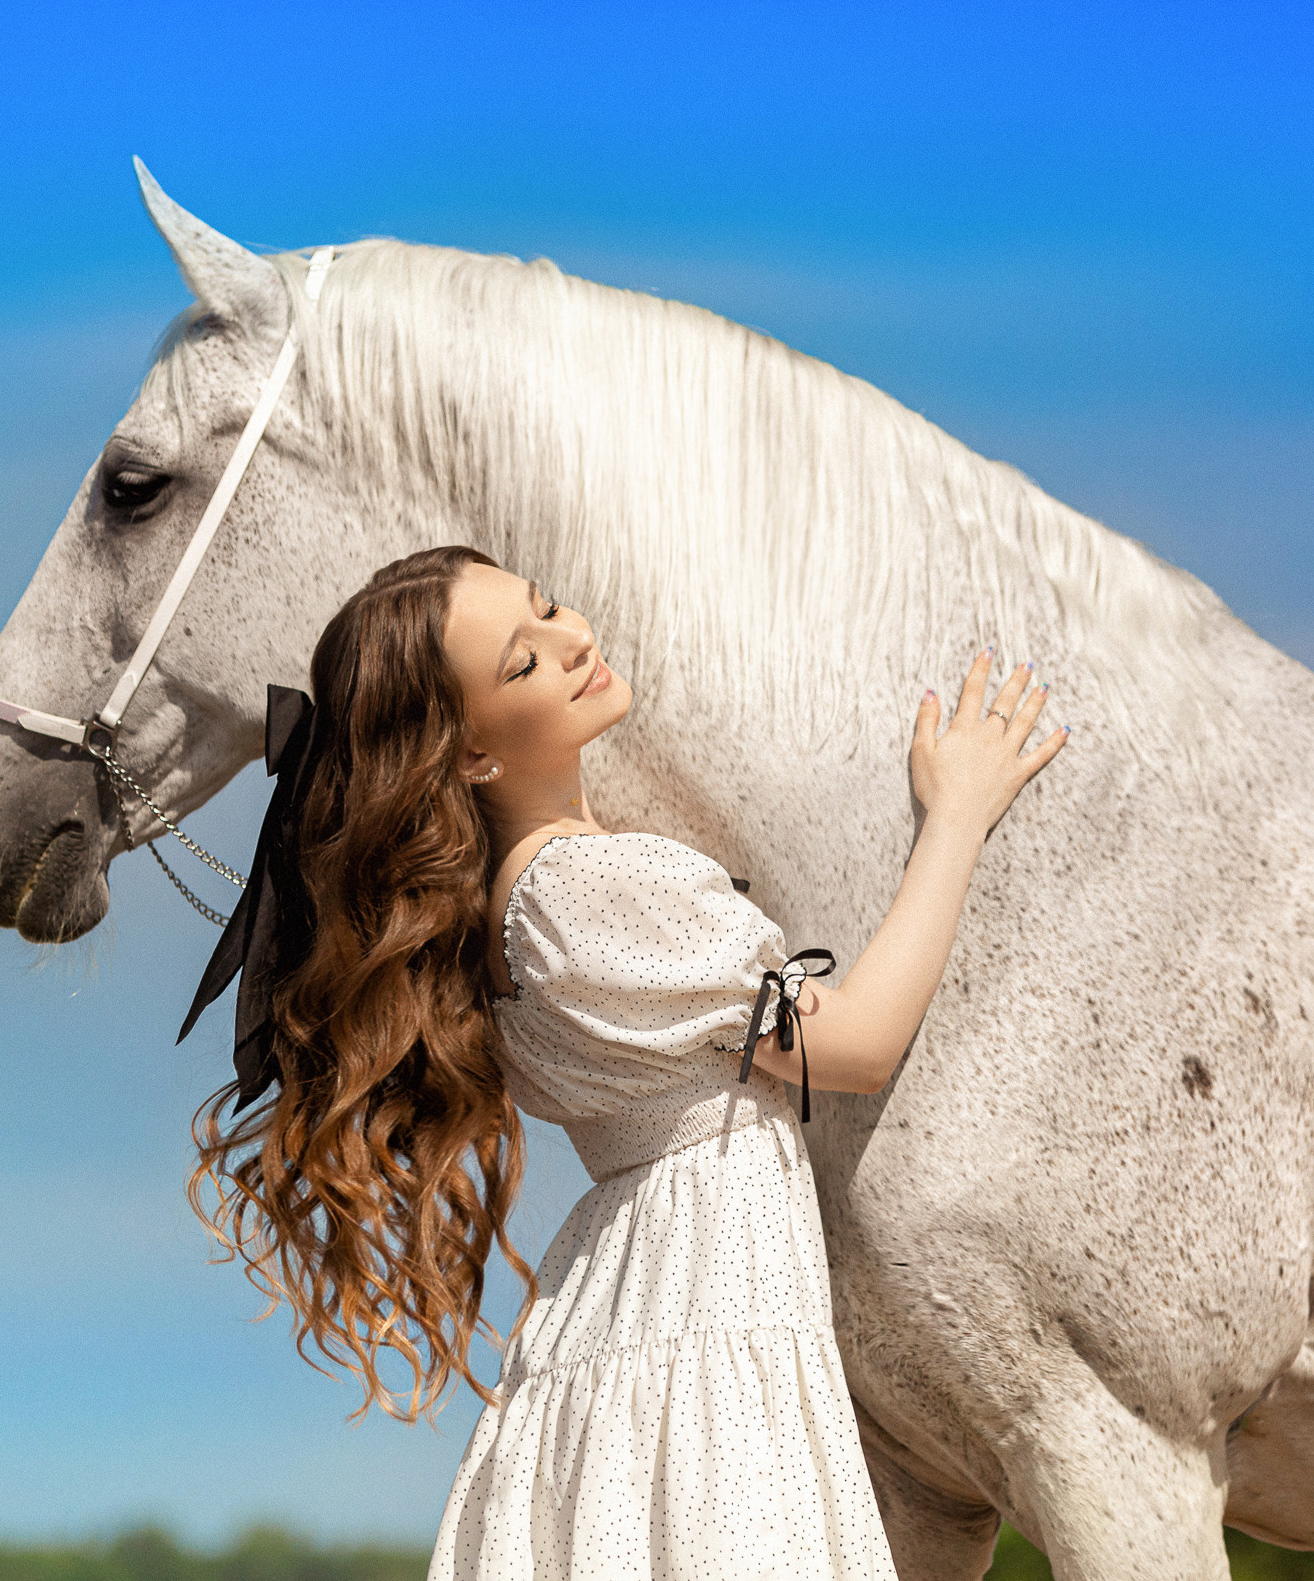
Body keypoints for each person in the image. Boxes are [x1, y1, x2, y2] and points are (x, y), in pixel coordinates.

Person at [188, 545, 1069, 1581]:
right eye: (522, 664)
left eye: (548, 607)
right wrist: (957, 813)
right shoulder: (590, 891)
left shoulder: (523, 906)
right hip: (704, 1297)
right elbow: (860, 1043)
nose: (571, 642)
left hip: (648, 1290)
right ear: (471, 756)